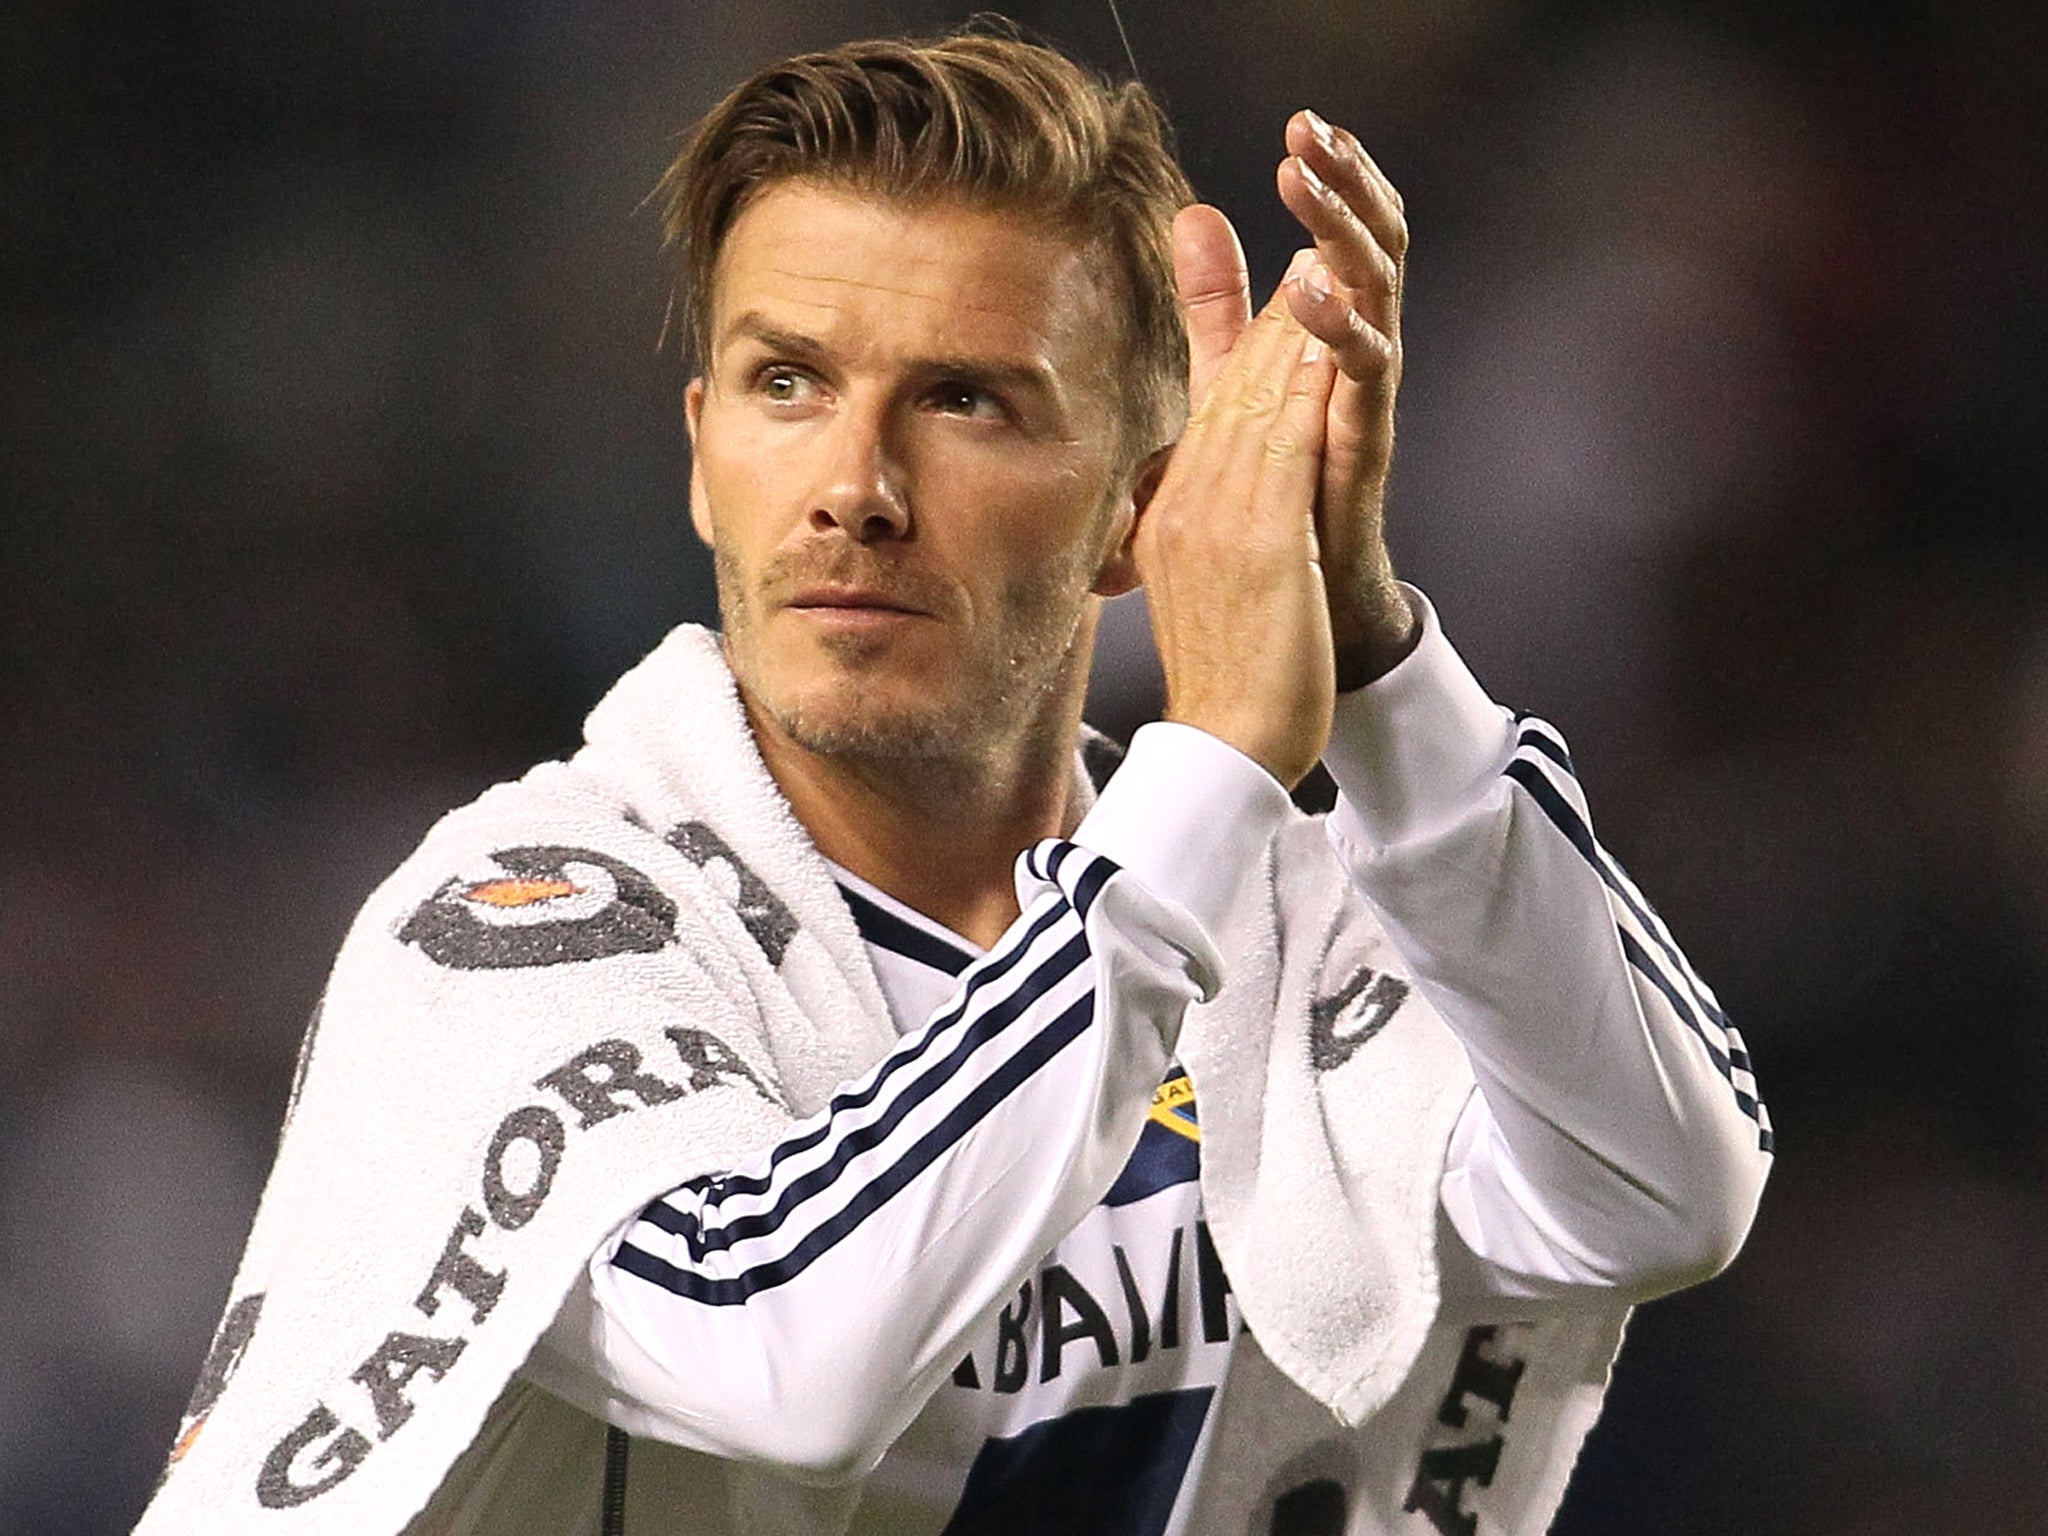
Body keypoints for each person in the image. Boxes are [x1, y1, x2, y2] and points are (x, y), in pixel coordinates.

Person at [136, 27, 1771, 1536]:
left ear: (1143, 508)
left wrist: (1375, 661)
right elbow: (788, 1355)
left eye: (963, 400)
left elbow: (1657, 1191)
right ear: (702, 457)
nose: (853, 488)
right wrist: (1207, 772)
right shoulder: (521, 927)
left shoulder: (1263, 923)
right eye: (790, 385)